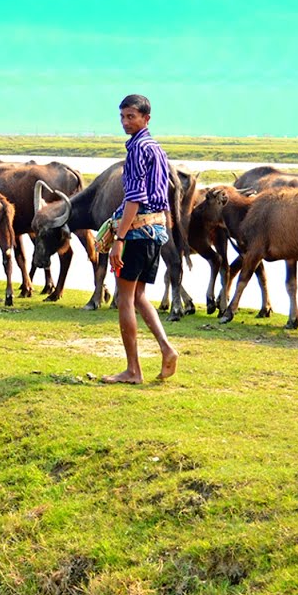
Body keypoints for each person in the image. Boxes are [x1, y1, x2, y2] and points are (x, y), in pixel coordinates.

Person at [103, 94, 179, 384]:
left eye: (131, 116)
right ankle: (166, 347)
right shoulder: (157, 149)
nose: (125, 122)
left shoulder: (136, 150)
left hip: (136, 232)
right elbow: (165, 196)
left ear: (147, 118)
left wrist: (119, 238)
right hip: (156, 231)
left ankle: (133, 370)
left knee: (124, 298)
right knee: (139, 296)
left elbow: (134, 198)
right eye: (122, 117)